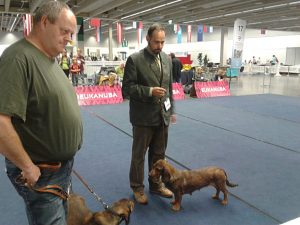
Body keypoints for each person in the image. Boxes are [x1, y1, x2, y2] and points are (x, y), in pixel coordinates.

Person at [0, 2, 83, 225]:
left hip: (59, 169)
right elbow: (0, 122)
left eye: (71, 34)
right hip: (41, 172)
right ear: (44, 22)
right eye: (64, 31)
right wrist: (27, 166)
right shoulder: (18, 58)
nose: (69, 38)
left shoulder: (49, 58)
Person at [122, 23, 176, 205]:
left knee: (159, 155)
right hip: (142, 118)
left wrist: (171, 111)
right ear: (147, 39)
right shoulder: (135, 60)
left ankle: (156, 185)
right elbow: (127, 89)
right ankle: (137, 187)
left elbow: (169, 89)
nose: (159, 46)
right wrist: (149, 91)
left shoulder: (167, 59)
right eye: (156, 42)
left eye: (162, 42)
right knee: (139, 155)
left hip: (162, 117)